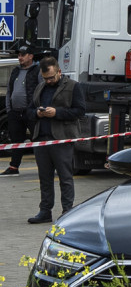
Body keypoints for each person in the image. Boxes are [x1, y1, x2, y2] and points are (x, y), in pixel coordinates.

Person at [26, 56, 85, 224]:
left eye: (51, 77)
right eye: (46, 78)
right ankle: (45, 211)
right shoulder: (40, 87)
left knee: (65, 177)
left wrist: (57, 113)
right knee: (44, 178)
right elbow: (29, 111)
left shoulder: (73, 86)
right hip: (41, 139)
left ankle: (67, 211)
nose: (49, 81)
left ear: (59, 71)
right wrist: (37, 113)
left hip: (62, 139)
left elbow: (80, 111)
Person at [0, 43, 41, 177]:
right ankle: (13, 167)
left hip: (31, 112)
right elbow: (9, 90)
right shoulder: (16, 71)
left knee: (37, 139)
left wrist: (37, 108)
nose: (20, 57)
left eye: (22, 55)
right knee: (16, 141)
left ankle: (44, 167)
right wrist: (9, 108)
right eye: (19, 55)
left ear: (30, 56)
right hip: (15, 112)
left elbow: (42, 90)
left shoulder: (37, 70)